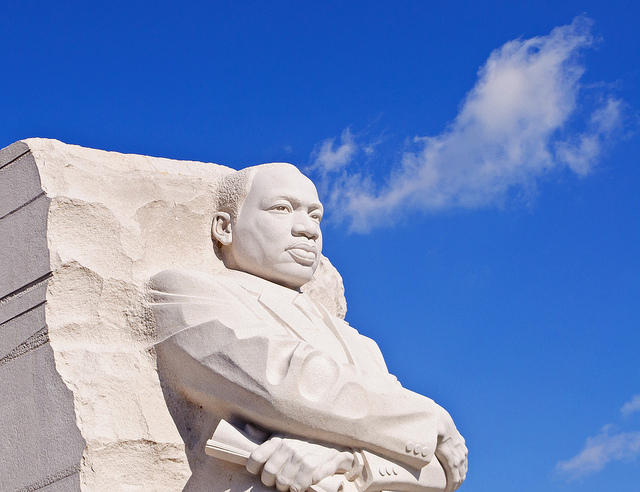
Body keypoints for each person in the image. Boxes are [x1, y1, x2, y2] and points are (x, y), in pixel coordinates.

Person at [148, 163, 467, 492]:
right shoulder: (182, 293)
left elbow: (444, 471)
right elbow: (286, 386)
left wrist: (351, 462)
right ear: (225, 228)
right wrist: (432, 419)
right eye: (282, 209)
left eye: (315, 216)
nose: (308, 230)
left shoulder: (362, 346)